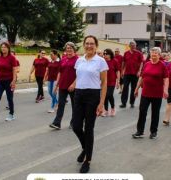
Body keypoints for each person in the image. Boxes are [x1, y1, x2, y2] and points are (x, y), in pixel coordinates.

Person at [72, 35, 108, 173]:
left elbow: (104, 83)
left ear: (96, 45)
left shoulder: (100, 61)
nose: (89, 46)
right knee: (76, 126)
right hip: (79, 94)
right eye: (87, 43)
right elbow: (79, 76)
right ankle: (85, 148)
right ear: (84, 45)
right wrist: (74, 85)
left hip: (93, 95)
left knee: (88, 128)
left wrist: (101, 103)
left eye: (92, 44)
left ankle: (88, 160)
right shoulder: (79, 60)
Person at [132, 47, 169, 139]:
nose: (153, 55)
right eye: (152, 53)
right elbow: (141, 77)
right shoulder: (147, 64)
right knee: (142, 111)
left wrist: (165, 90)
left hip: (157, 94)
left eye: (155, 53)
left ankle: (153, 132)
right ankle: (140, 131)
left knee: (155, 113)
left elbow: (166, 79)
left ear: (159, 55)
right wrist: (136, 89)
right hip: (145, 93)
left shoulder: (162, 65)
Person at [49, 42, 78, 130]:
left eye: (70, 48)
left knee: (75, 105)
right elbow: (60, 73)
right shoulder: (63, 59)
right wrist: (56, 85)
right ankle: (57, 123)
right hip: (62, 85)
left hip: (73, 86)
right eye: (67, 48)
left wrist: (74, 84)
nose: (68, 49)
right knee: (60, 104)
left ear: (74, 49)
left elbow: (80, 74)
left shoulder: (78, 59)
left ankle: (74, 122)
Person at [120, 41, 143, 108]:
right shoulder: (126, 53)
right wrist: (122, 71)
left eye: (134, 45)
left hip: (135, 74)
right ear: (129, 46)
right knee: (125, 88)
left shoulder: (139, 53)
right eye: (132, 45)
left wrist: (139, 71)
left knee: (133, 88)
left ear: (136, 46)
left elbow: (141, 62)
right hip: (127, 73)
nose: (133, 46)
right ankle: (123, 103)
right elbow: (123, 62)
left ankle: (132, 102)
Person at [102, 48, 120, 117]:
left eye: (106, 54)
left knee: (108, 95)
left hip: (112, 81)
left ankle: (113, 108)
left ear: (110, 54)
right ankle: (106, 110)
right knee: (105, 96)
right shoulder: (102, 61)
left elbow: (117, 71)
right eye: (104, 54)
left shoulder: (114, 61)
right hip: (104, 81)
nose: (105, 55)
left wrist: (118, 81)